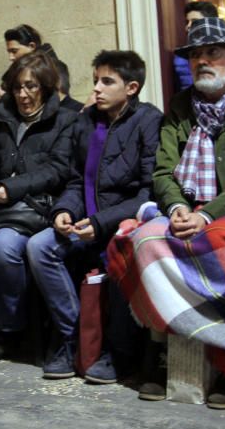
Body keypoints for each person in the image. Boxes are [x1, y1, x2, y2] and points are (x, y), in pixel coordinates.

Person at [107, 16, 225, 407]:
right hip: (185, 207)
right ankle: (160, 354)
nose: (202, 61)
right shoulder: (181, 107)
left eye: (213, 53)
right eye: (195, 55)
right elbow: (162, 169)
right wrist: (176, 207)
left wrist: (208, 214)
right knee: (143, 240)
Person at [26, 50, 161, 381]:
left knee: (122, 248)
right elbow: (76, 179)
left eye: (107, 82)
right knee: (39, 247)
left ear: (131, 87)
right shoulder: (85, 122)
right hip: (84, 220)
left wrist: (102, 222)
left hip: (121, 223)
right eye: (96, 80)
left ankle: (115, 352)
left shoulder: (147, 120)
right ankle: (74, 337)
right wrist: (64, 210)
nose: (97, 89)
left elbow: (148, 191)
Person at [0, 51, 77, 361]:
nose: (23, 95)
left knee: (2, 248)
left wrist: (10, 189)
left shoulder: (64, 120)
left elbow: (57, 170)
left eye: (31, 87)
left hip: (34, 210)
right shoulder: (2, 117)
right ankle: (11, 311)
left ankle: (10, 329)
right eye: (18, 87)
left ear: (46, 88)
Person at [172, 0, 218, 91]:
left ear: (209, 23)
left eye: (194, 21)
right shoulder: (181, 58)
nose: (188, 26)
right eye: (187, 22)